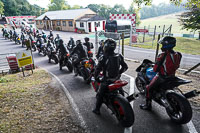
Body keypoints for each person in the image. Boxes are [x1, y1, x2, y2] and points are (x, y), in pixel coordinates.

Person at [140, 36, 182, 110]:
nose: (161, 46)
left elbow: (155, 69)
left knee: (148, 88)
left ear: (166, 45)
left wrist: (156, 66)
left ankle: (148, 105)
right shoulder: (178, 54)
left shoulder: (162, 55)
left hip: (162, 77)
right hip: (172, 76)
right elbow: (176, 66)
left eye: (162, 44)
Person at [92, 38, 128, 115]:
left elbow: (97, 70)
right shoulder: (119, 56)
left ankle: (97, 109)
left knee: (100, 94)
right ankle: (123, 101)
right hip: (116, 79)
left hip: (107, 80)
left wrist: (96, 78)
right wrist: (119, 73)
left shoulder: (103, 57)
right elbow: (125, 67)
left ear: (105, 47)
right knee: (121, 91)